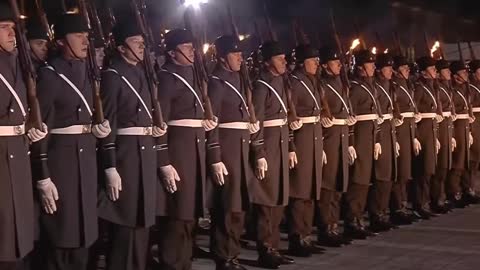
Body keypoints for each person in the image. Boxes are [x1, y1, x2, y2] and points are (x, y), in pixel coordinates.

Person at [31, 13, 111, 270]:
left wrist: (99, 130)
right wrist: (43, 175)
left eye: (87, 36)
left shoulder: (89, 72)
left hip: (87, 160)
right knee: (62, 236)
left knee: (86, 235)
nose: (85, 41)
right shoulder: (50, 75)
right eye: (79, 36)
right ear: (62, 41)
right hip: (61, 166)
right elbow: (40, 130)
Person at [97, 20, 165, 270]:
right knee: (126, 222)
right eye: (136, 43)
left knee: (143, 220)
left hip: (144, 151)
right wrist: (110, 165)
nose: (142, 48)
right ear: (121, 48)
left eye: (143, 44)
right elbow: (109, 124)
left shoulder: (144, 74)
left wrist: (155, 130)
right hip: (126, 156)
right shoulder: (113, 76)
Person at [155, 28, 217, 270]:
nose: (193, 50)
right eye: (187, 47)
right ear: (172, 53)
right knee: (176, 214)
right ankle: (172, 263)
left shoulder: (195, 74)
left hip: (196, 150)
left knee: (190, 213)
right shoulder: (167, 78)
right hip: (178, 152)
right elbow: (161, 124)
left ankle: (184, 262)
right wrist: (164, 161)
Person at [0, 2, 47, 269]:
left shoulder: (19, 64)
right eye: (4, 27)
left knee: (20, 237)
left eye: (14, 28)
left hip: (18, 154)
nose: (11, 33)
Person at [206, 35, 259, 270]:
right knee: (228, 206)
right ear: (221, 57)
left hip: (241, 148)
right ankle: (224, 256)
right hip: (227, 151)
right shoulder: (217, 82)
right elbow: (212, 122)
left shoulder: (239, 79)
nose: (240, 57)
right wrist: (215, 157)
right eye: (234, 53)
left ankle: (232, 253)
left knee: (238, 207)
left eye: (240, 53)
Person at [250, 41, 297, 269]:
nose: (285, 62)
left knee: (279, 199)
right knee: (266, 203)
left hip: (280, 147)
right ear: (268, 61)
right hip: (268, 149)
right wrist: (259, 151)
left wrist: (290, 148)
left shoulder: (281, 81)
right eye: (280, 58)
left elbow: (285, 119)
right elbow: (256, 122)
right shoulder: (261, 85)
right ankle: (265, 249)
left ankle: (274, 247)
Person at [316, 46, 355, 247]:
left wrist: (349, 140)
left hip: (341, 138)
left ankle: (334, 226)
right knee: (327, 186)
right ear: (325, 65)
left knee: (339, 184)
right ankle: (325, 228)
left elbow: (346, 112)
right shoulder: (321, 85)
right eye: (335, 61)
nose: (340, 64)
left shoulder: (341, 83)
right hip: (328, 139)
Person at [344, 49, 381, 239]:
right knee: (358, 181)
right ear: (360, 68)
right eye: (370, 64)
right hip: (359, 140)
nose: (374, 67)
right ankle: (352, 220)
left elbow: (376, 116)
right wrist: (350, 142)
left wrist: (378, 139)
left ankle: (359, 218)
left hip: (369, 138)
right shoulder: (356, 88)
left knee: (366, 181)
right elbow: (350, 116)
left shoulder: (371, 86)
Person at [369, 53, 399, 232]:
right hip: (378, 134)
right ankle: (376, 214)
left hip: (390, 132)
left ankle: (384, 211)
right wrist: (378, 138)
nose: (391, 71)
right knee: (381, 176)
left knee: (389, 175)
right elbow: (376, 116)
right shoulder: (376, 87)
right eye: (387, 68)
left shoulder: (389, 86)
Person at [390, 55, 419, 225]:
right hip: (399, 132)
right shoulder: (394, 86)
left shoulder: (407, 85)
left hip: (408, 131)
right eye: (404, 68)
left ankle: (403, 205)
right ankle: (397, 208)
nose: (408, 70)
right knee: (400, 173)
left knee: (406, 173)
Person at [412, 56, 443, 219]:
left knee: (430, 170)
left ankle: (427, 201)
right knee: (422, 171)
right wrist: (415, 136)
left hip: (431, 132)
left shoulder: (432, 87)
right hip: (423, 133)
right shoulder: (420, 88)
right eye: (432, 69)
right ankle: (420, 203)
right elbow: (414, 112)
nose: (435, 72)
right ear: (424, 73)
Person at [447, 61, 475, 208]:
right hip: (456, 126)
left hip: (464, 126)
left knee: (465, 160)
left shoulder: (465, 88)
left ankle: (465, 189)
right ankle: (454, 193)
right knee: (457, 161)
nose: (466, 74)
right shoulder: (452, 89)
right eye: (463, 72)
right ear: (456, 75)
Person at [430, 59, 455, 213]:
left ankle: (441, 196)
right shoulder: (435, 87)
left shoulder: (445, 87)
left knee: (445, 166)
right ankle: (435, 199)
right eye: (446, 70)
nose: (449, 73)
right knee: (437, 168)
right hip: (436, 129)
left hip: (447, 127)